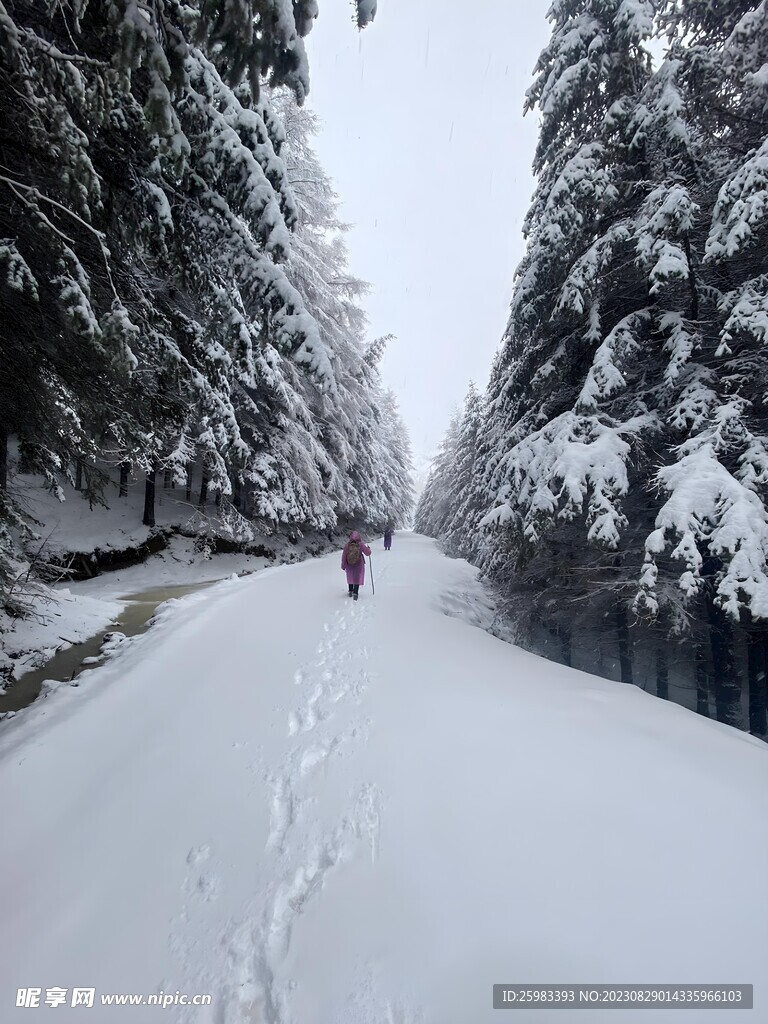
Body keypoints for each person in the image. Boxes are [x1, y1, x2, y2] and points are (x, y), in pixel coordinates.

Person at [341, 530, 371, 600]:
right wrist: (368, 549)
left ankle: (350, 591)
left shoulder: (347, 545)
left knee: (350, 576)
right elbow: (368, 553)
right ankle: (355, 593)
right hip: (359, 564)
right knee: (357, 577)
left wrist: (343, 565)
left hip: (349, 564)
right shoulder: (360, 544)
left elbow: (344, 556)